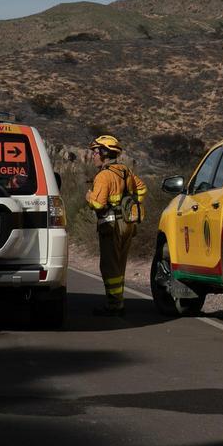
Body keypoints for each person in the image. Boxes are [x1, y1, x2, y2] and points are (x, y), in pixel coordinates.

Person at [85, 135, 147, 315]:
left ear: (105, 153)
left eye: (96, 152)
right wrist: (129, 204)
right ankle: (118, 301)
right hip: (128, 223)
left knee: (109, 265)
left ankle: (114, 305)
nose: (93, 156)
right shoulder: (125, 171)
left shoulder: (104, 175)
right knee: (120, 263)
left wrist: (88, 196)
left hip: (111, 226)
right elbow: (142, 189)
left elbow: (97, 204)